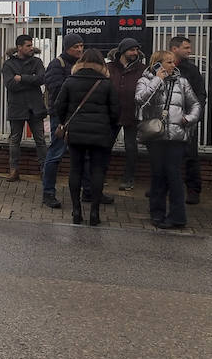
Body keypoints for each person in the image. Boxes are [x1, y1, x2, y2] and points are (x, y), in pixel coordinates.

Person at [42, 34, 114, 207]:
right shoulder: (56, 65)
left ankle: (89, 192)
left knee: (87, 157)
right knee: (56, 154)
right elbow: (57, 91)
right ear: (67, 47)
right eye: (76, 46)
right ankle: (48, 193)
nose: (80, 49)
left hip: (82, 118)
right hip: (62, 118)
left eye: (81, 46)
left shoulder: (81, 65)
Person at [134, 50, 202, 229]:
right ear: (158, 63)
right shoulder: (145, 80)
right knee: (158, 174)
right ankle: (156, 213)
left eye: (174, 62)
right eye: (169, 62)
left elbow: (195, 103)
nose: (173, 65)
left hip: (176, 136)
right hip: (155, 135)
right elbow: (140, 99)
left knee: (173, 174)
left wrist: (189, 118)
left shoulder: (183, 82)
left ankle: (177, 217)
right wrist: (158, 79)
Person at [52, 48, 118, 226]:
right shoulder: (106, 83)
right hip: (100, 134)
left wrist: (66, 121)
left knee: (76, 170)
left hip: (76, 132)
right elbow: (115, 111)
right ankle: (95, 213)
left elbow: (58, 106)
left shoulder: (70, 81)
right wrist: (107, 126)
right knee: (97, 171)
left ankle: (76, 211)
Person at [1, 34, 47, 182]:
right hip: (17, 107)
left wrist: (22, 78)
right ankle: (14, 170)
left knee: (40, 140)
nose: (31, 47)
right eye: (28, 45)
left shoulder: (37, 62)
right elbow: (10, 85)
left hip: (35, 107)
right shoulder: (8, 65)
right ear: (19, 47)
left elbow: (42, 79)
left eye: (31, 45)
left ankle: (45, 170)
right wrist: (31, 79)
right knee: (15, 140)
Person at [169, 36, 208, 204]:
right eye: (186, 48)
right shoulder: (162, 67)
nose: (189, 51)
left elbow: (200, 94)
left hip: (186, 121)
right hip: (167, 120)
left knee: (190, 156)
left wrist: (193, 116)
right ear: (174, 49)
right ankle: (163, 186)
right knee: (166, 155)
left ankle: (193, 190)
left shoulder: (192, 70)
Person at [107, 38, 146, 190]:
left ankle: (128, 178)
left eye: (137, 50)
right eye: (132, 50)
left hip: (132, 113)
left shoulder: (143, 69)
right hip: (112, 113)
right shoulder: (109, 67)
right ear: (123, 51)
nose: (135, 53)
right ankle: (100, 174)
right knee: (105, 145)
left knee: (131, 147)